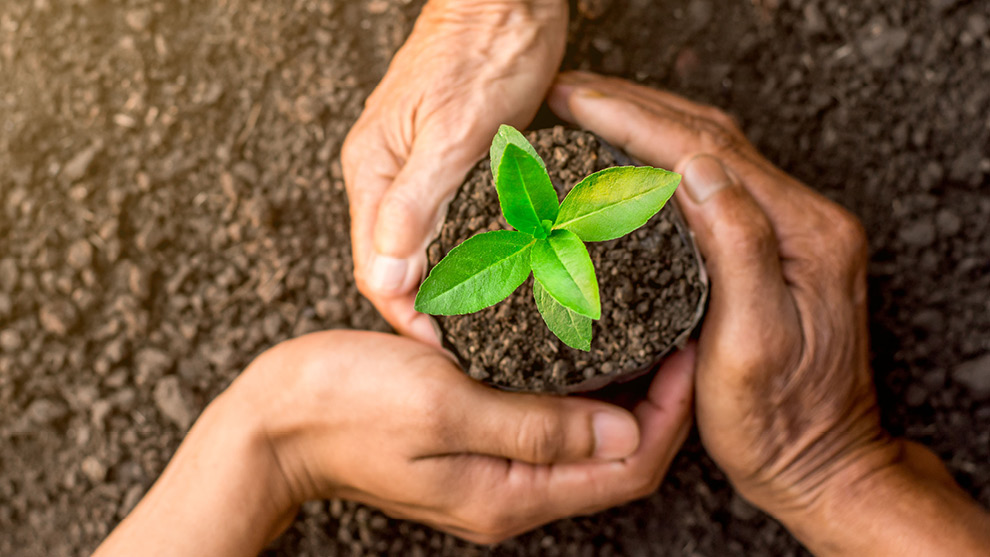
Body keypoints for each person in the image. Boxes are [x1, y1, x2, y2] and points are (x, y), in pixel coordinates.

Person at [96, 1, 990, 554]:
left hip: (556, 227)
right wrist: (841, 474)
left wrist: (266, 442)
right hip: (543, 234)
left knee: (587, 290)